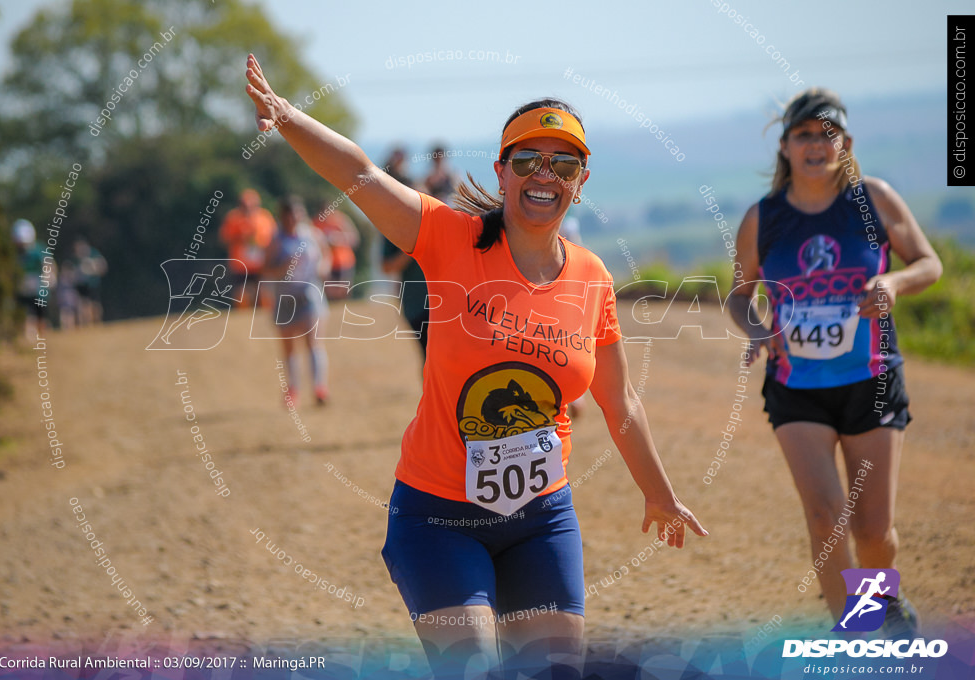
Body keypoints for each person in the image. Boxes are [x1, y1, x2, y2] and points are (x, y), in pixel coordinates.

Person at [246, 54, 706, 679]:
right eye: (528, 160)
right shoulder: (449, 237)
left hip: (542, 519)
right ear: (502, 169)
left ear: (581, 179)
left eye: (563, 163)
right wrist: (289, 117)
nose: (545, 174)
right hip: (438, 517)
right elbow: (359, 174)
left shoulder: (593, 278)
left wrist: (660, 494)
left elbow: (619, 402)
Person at [728, 88, 942, 637]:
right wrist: (759, 327)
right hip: (796, 387)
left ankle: (880, 600)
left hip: (870, 380)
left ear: (845, 144)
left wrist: (892, 282)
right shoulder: (765, 218)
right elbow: (737, 295)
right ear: (785, 147)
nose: (817, 145)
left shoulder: (873, 201)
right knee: (826, 517)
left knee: (873, 531)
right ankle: (859, 634)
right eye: (805, 135)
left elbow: (928, 263)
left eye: (829, 136)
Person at [263, 195, 332, 406]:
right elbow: (265, 269)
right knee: (289, 347)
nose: (294, 218)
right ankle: (293, 389)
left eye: (297, 214)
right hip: (284, 296)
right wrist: (282, 268)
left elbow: (325, 255)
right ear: (282, 216)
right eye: (290, 215)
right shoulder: (276, 240)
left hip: (309, 293)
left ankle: (319, 388)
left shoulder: (311, 234)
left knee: (313, 342)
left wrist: (323, 269)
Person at [380, 147, 429, 361]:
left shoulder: (434, 223)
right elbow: (387, 266)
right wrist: (412, 247)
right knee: (429, 358)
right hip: (416, 304)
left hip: (444, 303)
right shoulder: (393, 227)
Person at [219, 188, 277, 308]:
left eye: (252, 205)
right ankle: (244, 323)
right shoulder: (233, 218)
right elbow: (225, 238)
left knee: (264, 296)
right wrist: (241, 237)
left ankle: (264, 322)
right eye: (244, 205)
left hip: (262, 264)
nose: (248, 208)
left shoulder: (265, 217)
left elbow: (274, 238)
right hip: (241, 266)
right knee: (242, 297)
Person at [12, 219, 53, 341]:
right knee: (23, 314)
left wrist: (48, 277)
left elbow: (48, 264)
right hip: (21, 288)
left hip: (38, 288)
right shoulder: (14, 253)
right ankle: (26, 338)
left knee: (40, 314)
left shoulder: (38, 249)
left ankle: (41, 338)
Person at [313, 206, 359, 301]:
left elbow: (354, 239)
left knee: (343, 292)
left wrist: (337, 238)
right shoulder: (316, 223)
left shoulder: (341, 219)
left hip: (344, 262)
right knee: (329, 293)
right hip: (327, 263)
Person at [71, 237, 107, 325]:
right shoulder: (76, 257)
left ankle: (97, 321)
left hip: (93, 283)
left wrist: (94, 268)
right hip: (82, 284)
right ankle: (86, 323)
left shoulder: (93, 253)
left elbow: (103, 266)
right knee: (84, 305)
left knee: (95, 305)